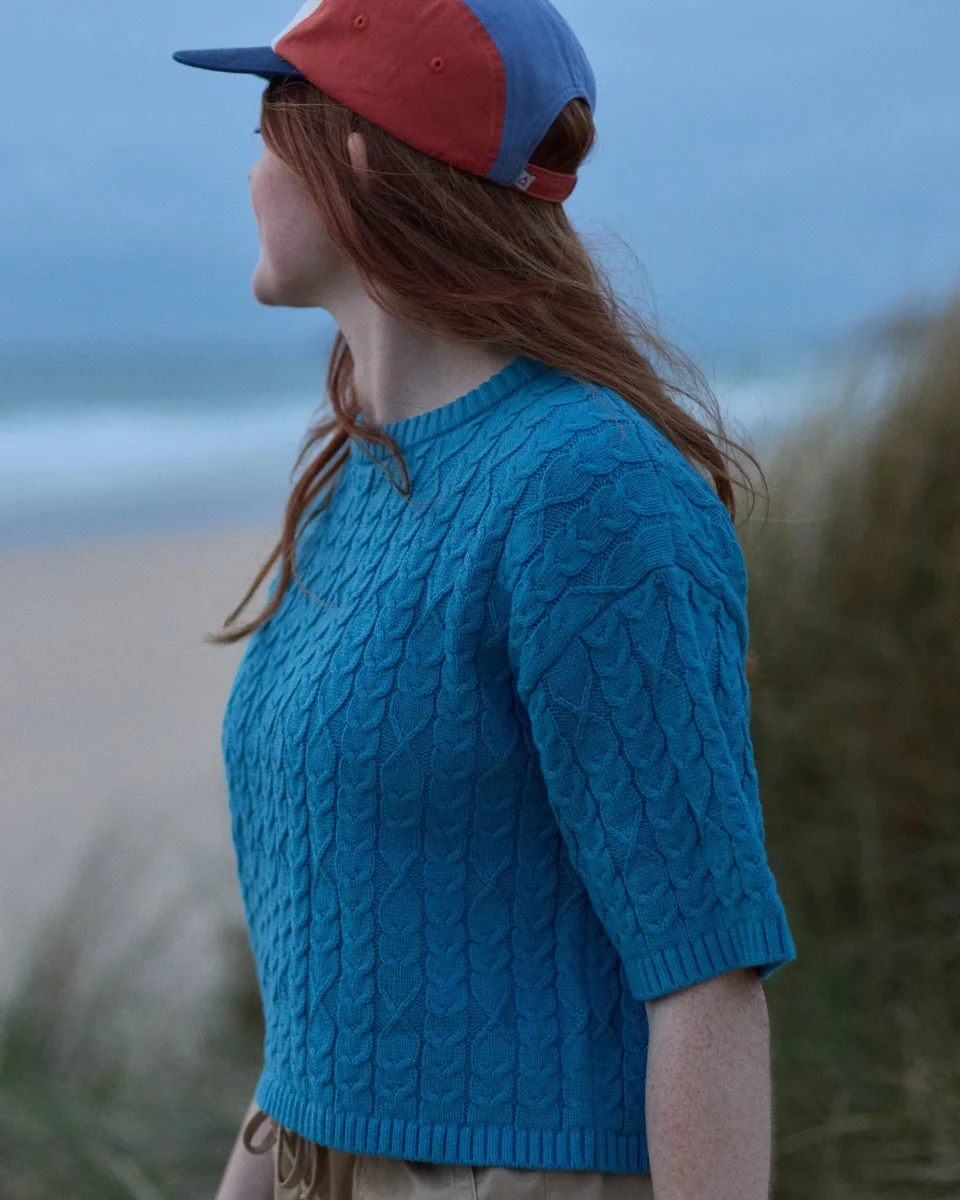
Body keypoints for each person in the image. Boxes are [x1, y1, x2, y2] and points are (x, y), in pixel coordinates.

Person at [173, 1, 797, 1197]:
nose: (249, 174)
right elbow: (340, 957)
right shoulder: (363, 474)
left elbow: (706, 971)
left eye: (267, 133)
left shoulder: (590, 490)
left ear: (358, 154)